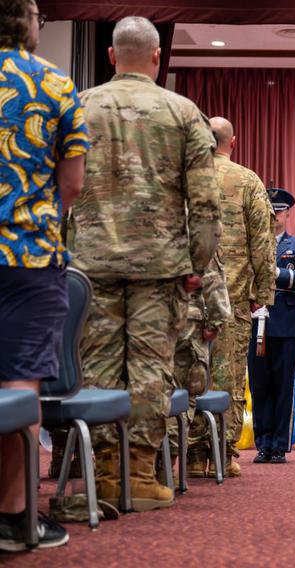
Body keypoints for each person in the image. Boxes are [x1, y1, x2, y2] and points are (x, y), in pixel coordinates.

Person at [69, 16, 221, 511]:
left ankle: (106, 474)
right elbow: (204, 202)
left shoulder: (79, 106)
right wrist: (197, 262)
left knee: (98, 367)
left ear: (112, 56)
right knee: (151, 369)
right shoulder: (182, 112)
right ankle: (140, 473)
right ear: (158, 57)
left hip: (91, 263)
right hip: (160, 266)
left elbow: (61, 188)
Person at [0, 0, 85, 550]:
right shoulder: (54, 85)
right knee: (19, 383)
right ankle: (16, 516)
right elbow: (72, 182)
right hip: (29, 257)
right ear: (29, 22)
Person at [186, 116, 275, 478]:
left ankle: (190, 455)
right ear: (232, 142)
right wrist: (263, 293)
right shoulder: (247, 180)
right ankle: (224, 453)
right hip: (234, 298)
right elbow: (263, 243)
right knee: (228, 377)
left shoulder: (187, 178)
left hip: (189, 298)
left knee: (190, 376)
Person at [247, 187, 295, 464]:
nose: (273, 215)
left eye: (278, 211)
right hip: (256, 319)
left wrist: (279, 273)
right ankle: (262, 442)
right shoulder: (250, 243)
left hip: (285, 321)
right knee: (259, 384)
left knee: (283, 384)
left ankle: (279, 443)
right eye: (269, 210)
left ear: (288, 213)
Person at [167, 254, 230, 477]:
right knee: (182, 396)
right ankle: (165, 469)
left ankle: (135, 469)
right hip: (186, 319)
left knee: (145, 389)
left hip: (141, 317)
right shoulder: (191, 221)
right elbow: (209, 267)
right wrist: (216, 319)